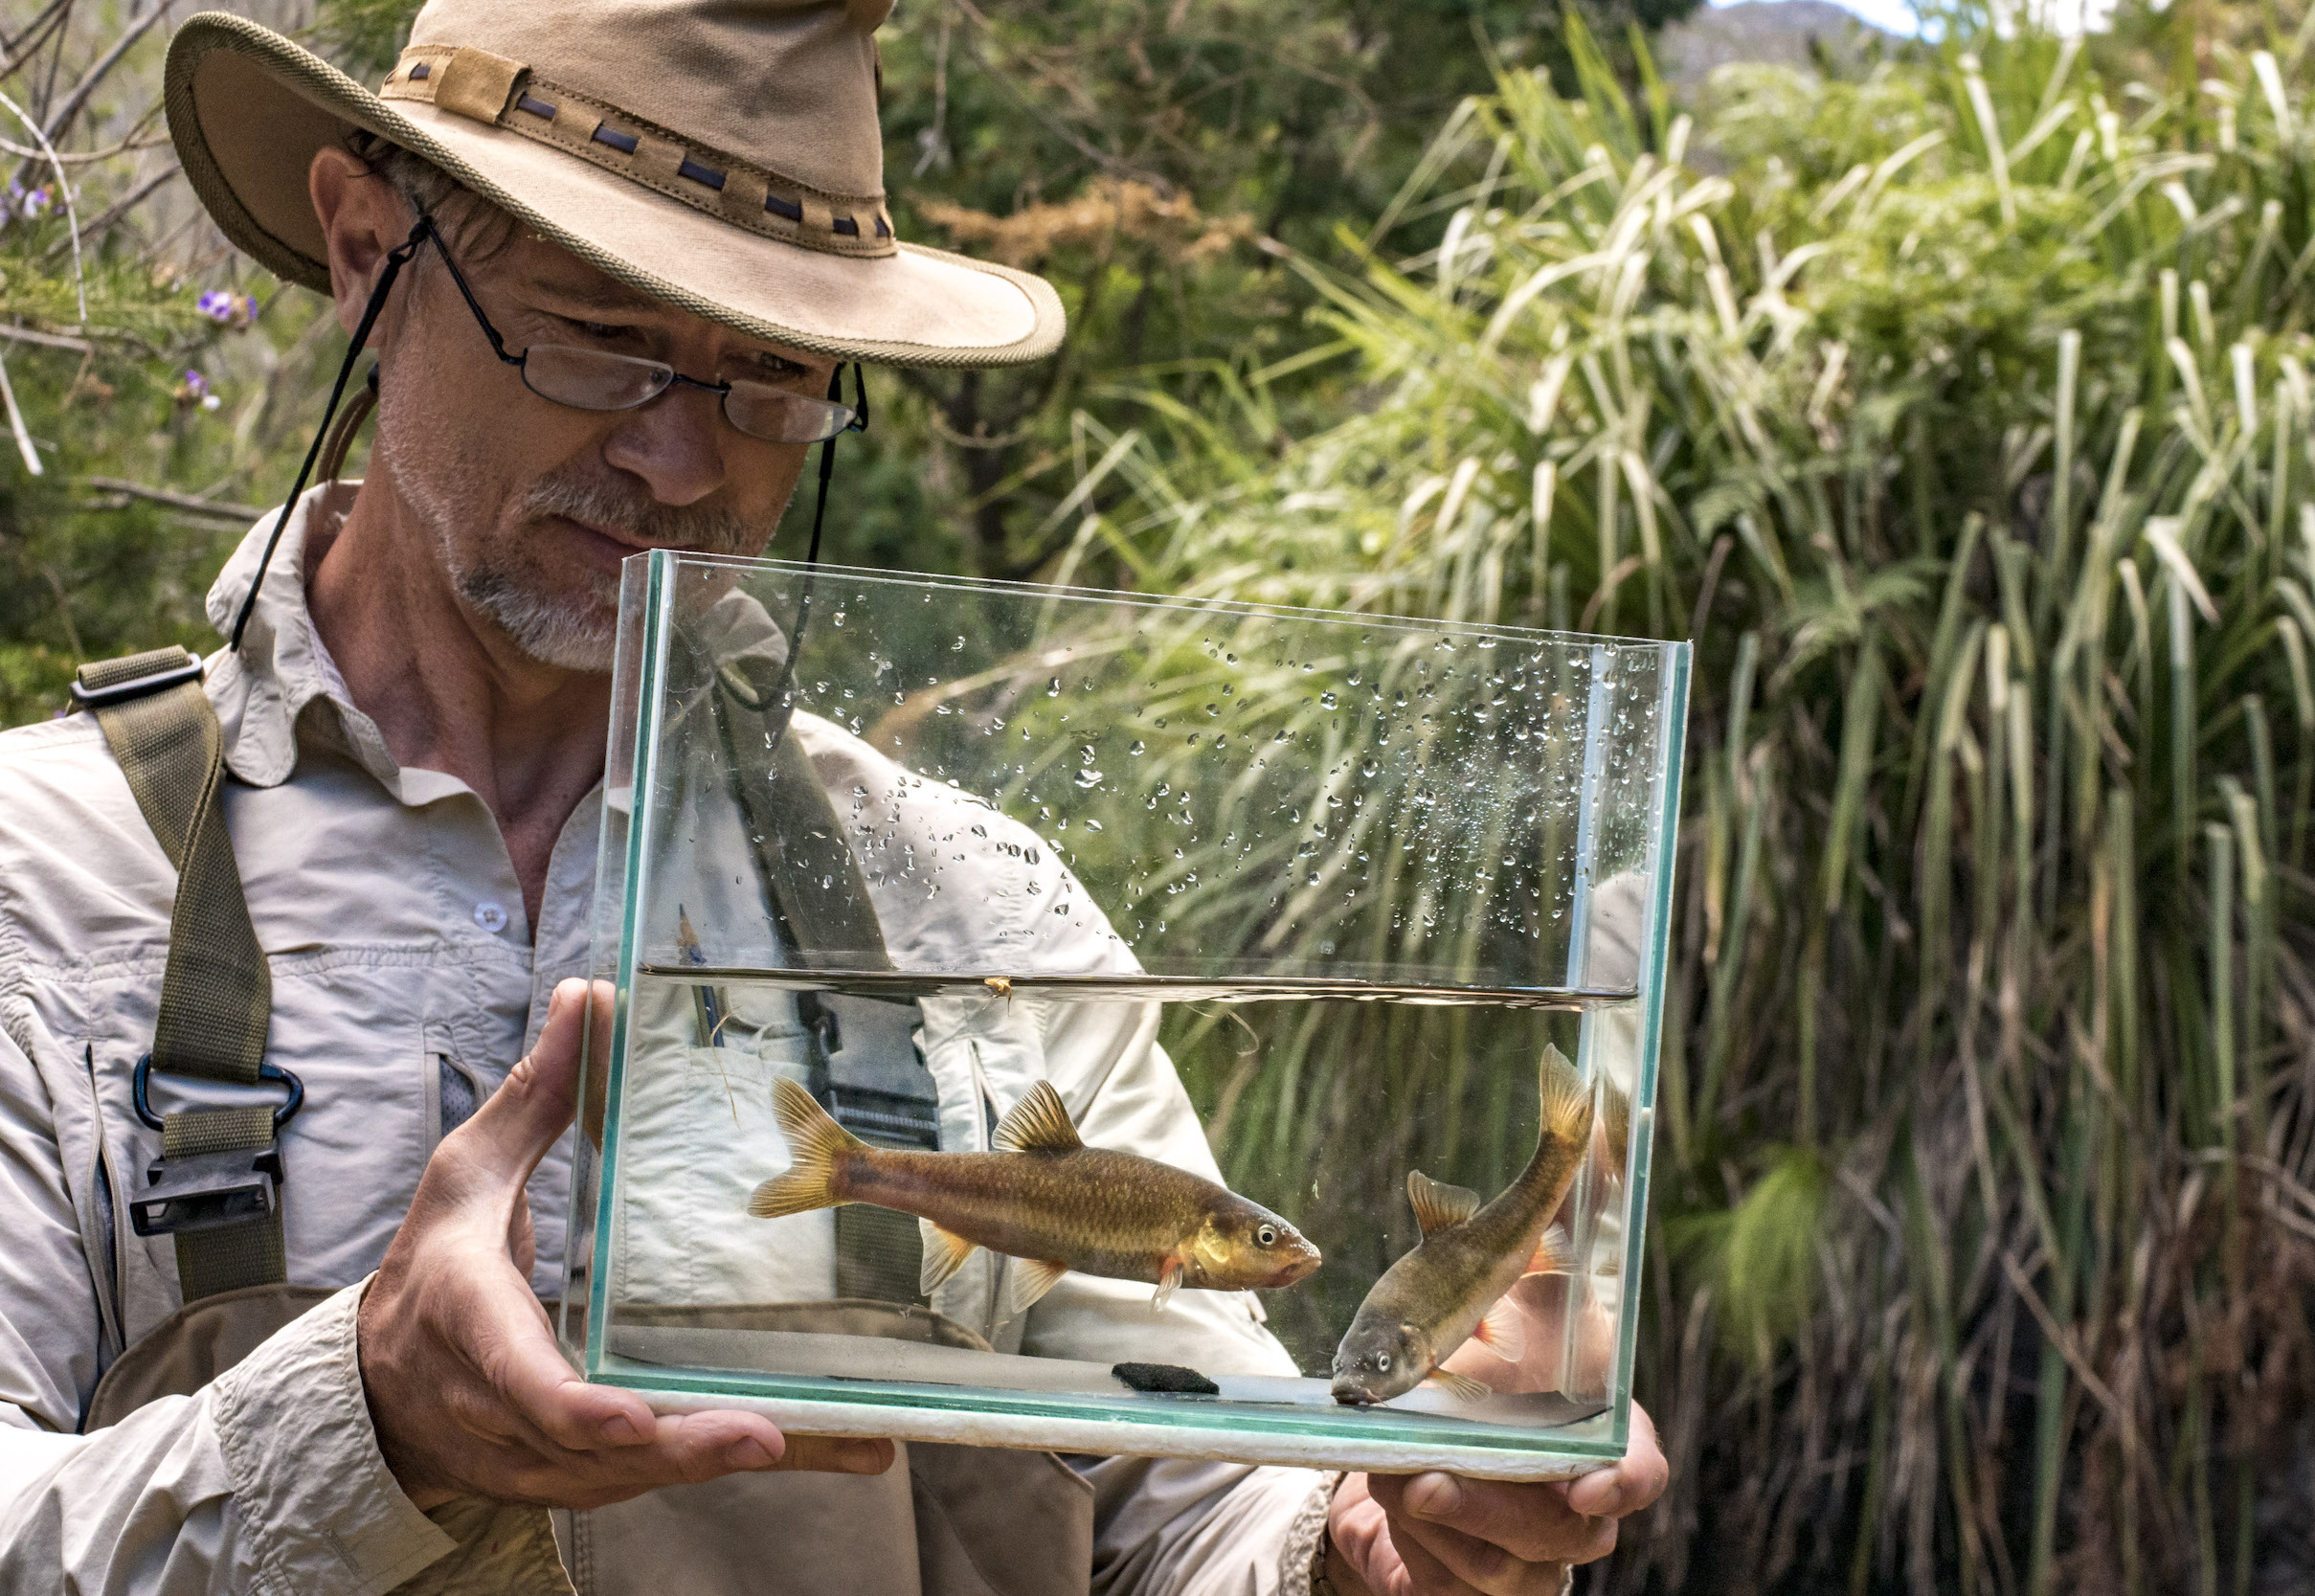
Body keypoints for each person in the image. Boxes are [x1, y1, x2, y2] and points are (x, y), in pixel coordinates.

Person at [0, 0, 1668, 1590]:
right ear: (370, 253)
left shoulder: (970, 912)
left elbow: (1195, 1492)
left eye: (770, 379)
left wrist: (1374, 1554)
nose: (686, 460)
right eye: (601, 343)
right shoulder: (44, 881)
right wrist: (362, 1428)